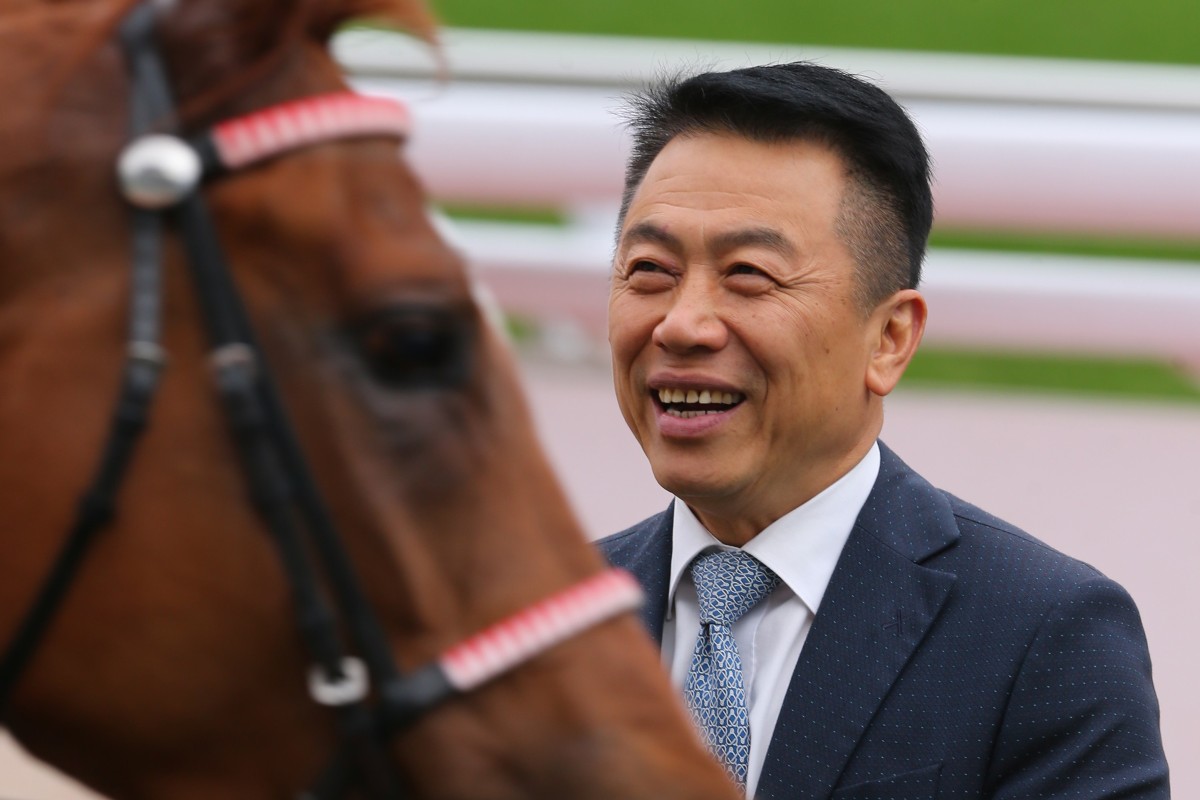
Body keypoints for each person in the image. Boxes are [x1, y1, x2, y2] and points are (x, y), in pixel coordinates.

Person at [598, 61, 1169, 799]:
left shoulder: (1046, 638)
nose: (682, 324)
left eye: (748, 276)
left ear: (890, 337)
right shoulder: (531, 623)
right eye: (649, 270)